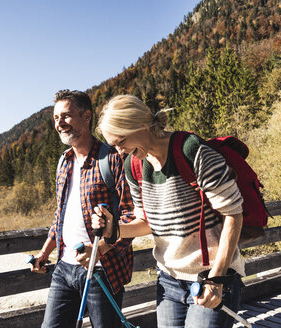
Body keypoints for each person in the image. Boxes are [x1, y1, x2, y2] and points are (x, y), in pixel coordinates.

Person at [92, 94, 245, 328]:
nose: (120, 151)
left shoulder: (192, 151)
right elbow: (146, 222)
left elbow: (233, 214)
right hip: (169, 281)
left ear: (140, 125)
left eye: (121, 141)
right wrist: (113, 229)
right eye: (114, 146)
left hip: (209, 276)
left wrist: (217, 278)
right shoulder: (133, 166)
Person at [30, 90, 135, 328]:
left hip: (102, 271)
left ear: (86, 116)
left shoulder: (111, 159)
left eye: (66, 116)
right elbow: (60, 216)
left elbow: (130, 216)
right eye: (56, 118)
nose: (59, 123)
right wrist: (44, 253)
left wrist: (102, 249)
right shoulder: (63, 161)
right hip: (64, 268)